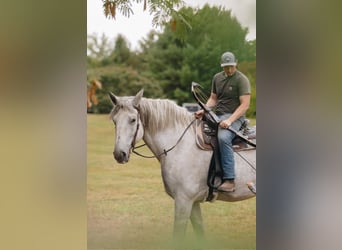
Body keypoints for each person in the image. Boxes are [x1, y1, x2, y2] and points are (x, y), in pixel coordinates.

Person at [195, 51, 251, 192]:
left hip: (235, 117)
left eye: (231, 66)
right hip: (217, 115)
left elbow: (245, 105)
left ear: (236, 63)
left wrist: (230, 120)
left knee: (223, 137)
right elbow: (213, 98)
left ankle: (229, 179)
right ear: (222, 66)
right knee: (196, 128)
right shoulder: (217, 78)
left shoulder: (241, 79)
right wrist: (205, 109)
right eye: (226, 67)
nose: (229, 69)